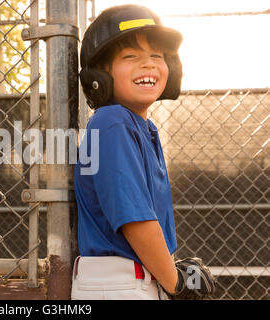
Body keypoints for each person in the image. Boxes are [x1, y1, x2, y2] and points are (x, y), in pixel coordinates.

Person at [72, 4, 215, 300]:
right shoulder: (112, 121)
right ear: (101, 73)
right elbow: (135, 220)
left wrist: (168, 270)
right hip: (118, 286)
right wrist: (176, 282)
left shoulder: (138, 126)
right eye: (130, 57)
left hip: (133, 282)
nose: (148, 65)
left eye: (157, 57)